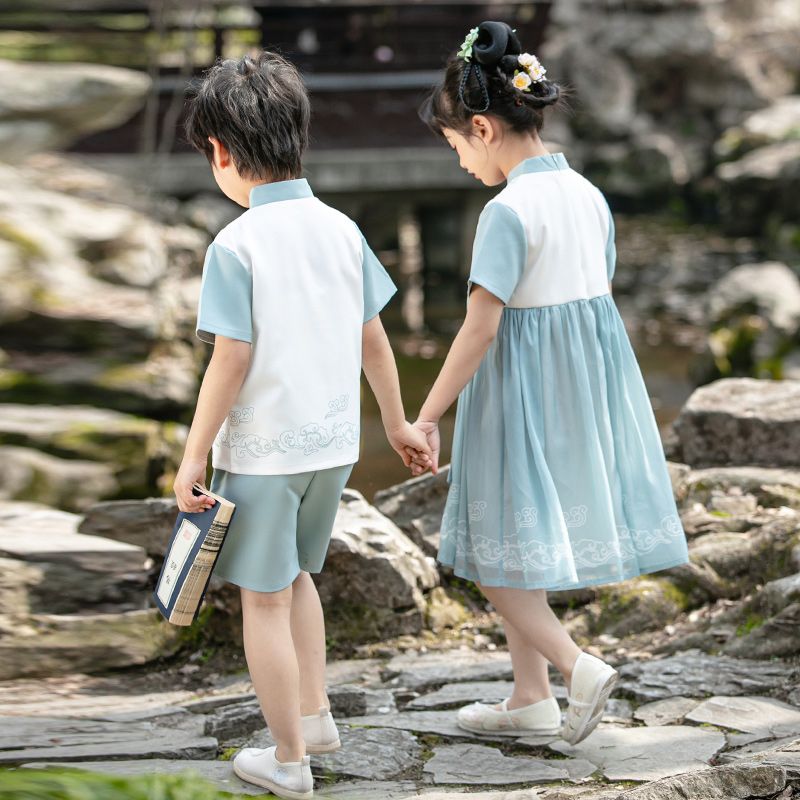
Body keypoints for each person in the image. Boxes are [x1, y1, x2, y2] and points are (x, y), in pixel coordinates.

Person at [409, 21, 689, 745]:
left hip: (518, 394)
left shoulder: (506, 211)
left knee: (484, 551)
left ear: (481, 127)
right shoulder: (588, 194)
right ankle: (528, 697)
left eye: (457, 147)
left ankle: (573, 666)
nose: (461, 163)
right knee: (516, 542)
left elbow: (480, 328)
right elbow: (594, 292)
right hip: (585, 395)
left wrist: (429, 413)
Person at [174, 51, 431, 800]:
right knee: (296, 578)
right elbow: (373, 336)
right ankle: (314, 716)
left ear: (222, 152)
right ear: (298, 135)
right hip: (332, 447)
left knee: (263, 599)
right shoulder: (342, 229)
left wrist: (193, 456)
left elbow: (230, 359)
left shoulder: (236, 244)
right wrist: (396, 420)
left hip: (260, 453)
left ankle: (289, 761)